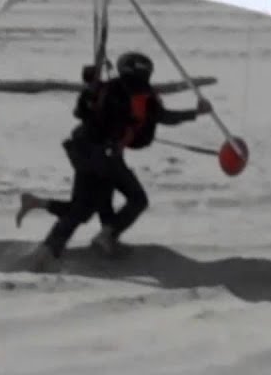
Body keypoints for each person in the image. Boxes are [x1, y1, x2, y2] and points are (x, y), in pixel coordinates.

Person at [16, 51, 211, 269]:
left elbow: (79, 112)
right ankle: (106, 237)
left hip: (80, 148)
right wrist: (195, 113)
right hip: (104, 155)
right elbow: (165, 117)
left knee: (86, 205)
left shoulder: (105, 87)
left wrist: (92, 90)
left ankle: (51, 247)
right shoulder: (142, 94)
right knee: (137, 199)